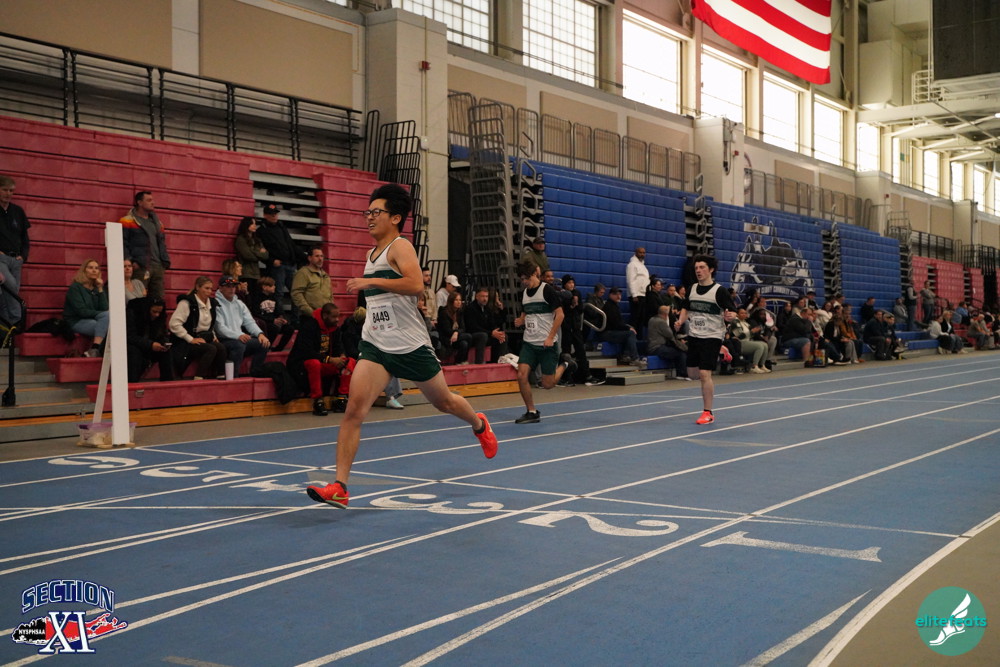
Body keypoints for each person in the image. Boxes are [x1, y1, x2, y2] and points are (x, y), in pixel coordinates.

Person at [306, 184, 497, 509]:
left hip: (409, 345)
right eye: (367, 212)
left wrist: (371, 281)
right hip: (376, 344)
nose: (369, 217)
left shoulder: (401, 246)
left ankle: (479, 424)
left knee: (444, 402)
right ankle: (340, 487)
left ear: (395, 217)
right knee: (354, 411)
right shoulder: (371, 254)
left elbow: (415, 285)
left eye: (375, 212)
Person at [673, 254, 737, 425]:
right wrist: (680, 321)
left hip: (713, 335)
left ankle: (708, 412)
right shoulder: (692, 289)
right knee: (692, 374)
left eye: (702, 267)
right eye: (696, 268)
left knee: (704, 373)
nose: (698, 271)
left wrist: (730, 316)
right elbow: (686, 308)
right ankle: (722, 351)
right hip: (695, 335)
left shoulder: (719, 291)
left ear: (711, 270)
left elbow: (732, 311)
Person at [512, 259, 575, 424]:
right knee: (521, 375)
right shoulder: (524, 294)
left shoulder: (547, 290)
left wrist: (550, 337)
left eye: (526, 278)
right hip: (529, 343)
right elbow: (526, 312)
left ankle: (565, 364)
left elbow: (560, 315)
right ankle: (531, 411)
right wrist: (521, 320)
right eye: (522, 279)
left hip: (547, 344)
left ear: (534, 274)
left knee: (548, 384)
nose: (524, 282)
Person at [288, 303, 353, 415]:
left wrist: (341, 355)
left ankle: (341, 398)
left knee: (350, 362)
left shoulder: (335, 329)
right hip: (302, 364)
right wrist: (330, 359)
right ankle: (317, 400)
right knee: (314, 363)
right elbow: (307, 352)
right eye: (334, 317)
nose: (337, 320)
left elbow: (338, 346)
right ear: (325, 316)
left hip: (325, 362)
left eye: (338, 316)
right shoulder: (309, 326)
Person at [168, 276, 227, 379]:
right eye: (206, 288)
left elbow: (210, 325)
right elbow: (174, 324)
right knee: (211, 349)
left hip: (204, 337)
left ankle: (221, 376)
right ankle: (199, 377)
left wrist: (213, 336)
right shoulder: (187, 302)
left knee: (221, 348)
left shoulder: (212, 303)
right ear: (197, 287)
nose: (209, 291)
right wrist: (190, 339)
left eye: (211, 289)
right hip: (185, 341)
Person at [215, 275, 270, 377]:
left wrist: (260, 334)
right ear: (220, 288)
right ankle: (233, 376)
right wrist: (238, 336)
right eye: (228, 286)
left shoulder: (239, 303)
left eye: (233, 286)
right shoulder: (216, 303)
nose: (232, 289)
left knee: (263, 343)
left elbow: (249, 322)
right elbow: (220, 328)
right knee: (238, 345)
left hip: (239, 338)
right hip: (223, 339)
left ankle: (255, 372)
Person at [121, 191, 170, 300]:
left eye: (152, 200)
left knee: (158, 301)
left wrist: (164, 262)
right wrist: (131, 261)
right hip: (140, 266)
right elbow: (123, 243)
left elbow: (162, 243)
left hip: (158, 266)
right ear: (139, 202)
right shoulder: (127, 221)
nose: (153, 203)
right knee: (139, 300)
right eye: (149, 200)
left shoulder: (158, 223)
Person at [256, 203, 302, 320]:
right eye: (271, 214)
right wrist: (271, 261)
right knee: (278, 293)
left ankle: (295, 320)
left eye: (275, 213)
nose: (274, 216)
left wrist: (299, 258)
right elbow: (259, 251)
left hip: (290, 264)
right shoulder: (261, 231)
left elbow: (290, 244)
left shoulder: (281, 227)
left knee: (296, 293)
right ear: (265, 215)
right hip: (277, 266)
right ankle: (281, 318)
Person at [63, 259, 109, 358]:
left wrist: (100, 288)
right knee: (105, 325)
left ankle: (94, 350)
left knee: (105, 323)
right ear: (84, 270)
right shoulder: (75, 287)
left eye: (96, 268)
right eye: (90, 268)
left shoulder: (96, 288)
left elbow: (104, 308)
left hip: (94, 320)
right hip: (76, 321)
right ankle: (95, 349)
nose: (94, 270)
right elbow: (81, 311)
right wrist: (99, 314)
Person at [0, 175, 29, 326]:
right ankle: (17, 320)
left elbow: (25, 237)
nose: (8, 193)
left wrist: (23, 256)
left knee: (11, 291)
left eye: (11, 191)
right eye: (5, 190)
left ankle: (7, 326)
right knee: (10, 286)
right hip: (1, 258)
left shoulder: (17, 211)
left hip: (16, 258)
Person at [125, 297, 174, 382]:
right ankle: (132, 383)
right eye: (154, 311)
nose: (157, 315)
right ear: (147, 309)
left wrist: (164, 342)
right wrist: (150, 344)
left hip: (147, 344)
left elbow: (163, 333)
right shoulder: (132, 315)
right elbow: (130, 336)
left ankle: (167, 382)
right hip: (131, 345)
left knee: (165, 352)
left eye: (159, 312)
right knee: (134, 352)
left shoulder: (160, 318)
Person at [246, 276, 294, 351]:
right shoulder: (256, 298)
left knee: (289, 328)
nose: (274, 287)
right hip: (263, 322)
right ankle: (266, 347)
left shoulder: (274, 298)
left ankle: (279, 348)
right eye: (272, 286)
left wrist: (282, 318)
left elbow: (279, 311)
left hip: (274, 320)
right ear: (264, 287)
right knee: (274, 328)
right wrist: (272, 320)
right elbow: (256, 313)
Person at [558, 275, 590, 384]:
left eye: (572, 282)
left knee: (581, 351)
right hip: (566, 327)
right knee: (566, 352)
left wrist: (575, 301)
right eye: (569, 283)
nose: (571, 285)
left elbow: (580, 309)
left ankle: (586, 375)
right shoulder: (562, 295)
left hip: (575, 327)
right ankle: (566, 377)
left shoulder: (577, 293)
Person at [464, 286, 508, 364]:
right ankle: (479, 363)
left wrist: (496, 332)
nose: (485, 299)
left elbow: (493, 323)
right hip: (473, 335)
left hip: (487, 334)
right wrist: (491, 333)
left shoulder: (487, 309)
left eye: (486, 296)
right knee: (483, 336)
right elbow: (472, 327)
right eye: (482, 296)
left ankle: (497, 362)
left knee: (502, 336)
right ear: (477, 297)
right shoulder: (470, 308)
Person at [646, 305, 689, 379]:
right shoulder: (661, 322)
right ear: (666, 315)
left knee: (677, 350)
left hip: (652, 347)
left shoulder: (651, 319)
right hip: (657, 348)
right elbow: (670, 334)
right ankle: (682, 374)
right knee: (680, 353)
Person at [600, 287, 640, 364]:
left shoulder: (614, 306)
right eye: (616, 294)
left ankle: (626, 355)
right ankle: (634, 357)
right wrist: (628, 328)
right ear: (610, 295)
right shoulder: (609, 306)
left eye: (620, 294)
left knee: (630, 332)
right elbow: (615, 323)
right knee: (630, 333)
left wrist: (628, 327)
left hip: (611, 331)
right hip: (607, 332)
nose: (619, 296)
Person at [291, 246, 332, 317]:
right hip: (309, 317)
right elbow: (296, 294)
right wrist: (311, 312)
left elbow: (330, 296)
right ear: (309, 258)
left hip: (325, 317)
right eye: (317, 256)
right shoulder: (303, 273)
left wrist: (330, 311)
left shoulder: (325, 275)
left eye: (321, 256)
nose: (320, 259)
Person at [234, 216, 268, 296]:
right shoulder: (241, 239)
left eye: (255, 224)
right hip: (245, 273)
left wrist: (252, 251)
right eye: (252, 224)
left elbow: (266, 255)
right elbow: (248, 255)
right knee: (247, 296)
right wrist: (258, 253)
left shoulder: (257, 240)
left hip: (256, 274)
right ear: (246, 225)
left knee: (255, 297)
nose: (255, 226)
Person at [437, 291, 472, 364]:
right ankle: (463, 360)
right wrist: (456, 333)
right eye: (456, 300)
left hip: (456, 337)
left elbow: (463, 328)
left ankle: (458, 362)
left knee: (464, 343)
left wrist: (456, 333)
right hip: (446, 338)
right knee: (468, 336)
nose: (459, 302)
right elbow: (446, 330)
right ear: (451, 301)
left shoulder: (459, 312)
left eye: (460, 300)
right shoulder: (444, 312)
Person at [729, 308, 769, 373]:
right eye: (742, 313)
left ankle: (762, 365)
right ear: (737, 314)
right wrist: (751, 332)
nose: (744, 314)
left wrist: (754, 331)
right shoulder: (735, 322)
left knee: (765, 345)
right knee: (759, 346)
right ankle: (754, 366)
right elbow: (739, 336)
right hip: (740, 343)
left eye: (745, 313)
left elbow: (751, 334)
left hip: (748, 341)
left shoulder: (745, 322)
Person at [626, 246, 649, 330]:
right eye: (640, 252)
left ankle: (639, 335)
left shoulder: (642, 265)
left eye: (644, 253)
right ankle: (632, 334)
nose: (642, 254)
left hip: (643, 294)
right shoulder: (632, 265)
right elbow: (630, 280)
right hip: (636, 295)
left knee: (641, 318)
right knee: (635, 318)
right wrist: (634, 294)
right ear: (636, 253)